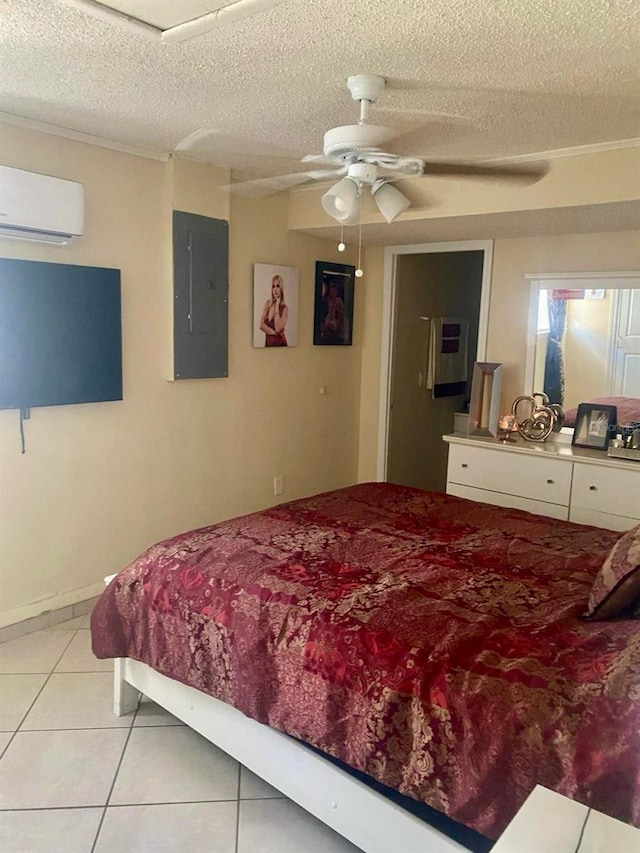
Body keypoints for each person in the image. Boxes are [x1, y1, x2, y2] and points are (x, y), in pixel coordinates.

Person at [259, 274, 289, 347]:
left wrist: (277, 306)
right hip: (268, 344)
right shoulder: (268, 304)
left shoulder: (284, 308)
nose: (275, 289)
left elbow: (278, 328)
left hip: (280, 344)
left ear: (281, 288)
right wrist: (274, 333)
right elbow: (261, 326)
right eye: (273, 286)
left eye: (278, 286)